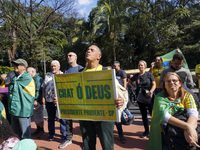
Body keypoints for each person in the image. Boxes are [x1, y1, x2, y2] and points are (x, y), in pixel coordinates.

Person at [79, 45, 125, 150]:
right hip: (86, 117)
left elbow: (117, 93)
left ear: (99, 56)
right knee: (88, 147)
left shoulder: (106, 73)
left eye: (92, 50)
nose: (88, 51)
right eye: (87, 50)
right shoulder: (79, 75)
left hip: (105, 117)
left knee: (107, 146)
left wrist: (120, 100)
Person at [148, 72, 199, 150]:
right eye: (168, 81)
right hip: (165, 133)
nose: (171, 83)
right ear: (164, 85)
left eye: (174, 80)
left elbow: (193, 113)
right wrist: (187, 127)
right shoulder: (159, 97)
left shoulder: (187, 96)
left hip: (183, 132)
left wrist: (189, 130)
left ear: (180, 84)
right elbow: (165, 116)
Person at [58, 52, 84, 149]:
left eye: (70, 55)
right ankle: (68, 139)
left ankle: (85, 141)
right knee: (68, 121)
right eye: (67, 56)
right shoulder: (65, 70)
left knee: (83, 121)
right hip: (68, 100)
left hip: (80, 100)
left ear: (76, 57)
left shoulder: (81, 69)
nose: (68, 57)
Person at [8, 58, 35, 139]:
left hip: (23, 110)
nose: (15, 66)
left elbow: (16, 89)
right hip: (14, 109)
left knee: (25, 135)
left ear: (24, 67)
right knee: (15, 134)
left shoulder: (27, 78)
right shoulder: (14, 78)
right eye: (14, 64)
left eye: (17, 65)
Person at [129, 60, 156, 138]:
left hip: (149, 97)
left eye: (141, 65)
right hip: (140, 98)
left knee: (153, 115)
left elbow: (154, 85)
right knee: (144, 115)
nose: (140, 67)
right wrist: (134, 87)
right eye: (139, 65)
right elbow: (129, 81)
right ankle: (146, 131)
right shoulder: (136, 75)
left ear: (145, 66)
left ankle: (154, 131)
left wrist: (150, 92)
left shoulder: (149, 74)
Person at [112, 61, 133, 143]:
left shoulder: (122, 72)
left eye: (114, 66)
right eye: (112, 66)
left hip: (120, 94)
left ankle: (121, 135)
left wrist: (124, 93)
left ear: (118, 65)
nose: (113, 67)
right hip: (113, 96)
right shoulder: (113, 74)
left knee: (119, 116)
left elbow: (125, 82)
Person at [42, 60, 63, 141]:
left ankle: (64, 134)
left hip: (60, 102)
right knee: (50, 119)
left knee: (62, 119)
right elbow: (43, 87)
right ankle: (51, 134)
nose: (53, 67)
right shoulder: (48, 75)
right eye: (52, 66)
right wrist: (43, 97)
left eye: (55, 66)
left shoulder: (63, 75)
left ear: (59, 67)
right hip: (49, 101)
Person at [27, 67, 44, 138]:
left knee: (39, 116)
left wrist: (36, 100)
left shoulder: (38, 79)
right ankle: (38, 129)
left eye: (28, 72)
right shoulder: (33, 79)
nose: (27, 74)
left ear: (33, 71)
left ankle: (41, 131)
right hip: (34, 100)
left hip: (38, 101)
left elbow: (38, 91)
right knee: (35, 116)